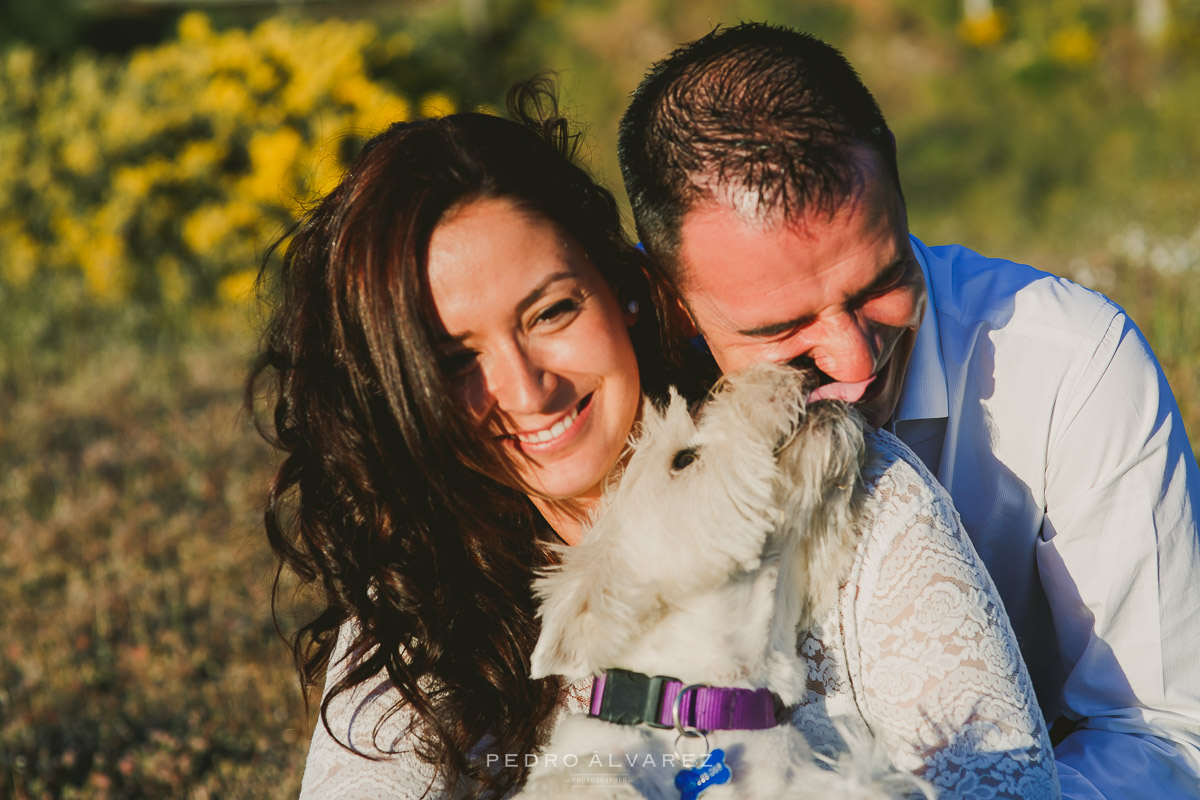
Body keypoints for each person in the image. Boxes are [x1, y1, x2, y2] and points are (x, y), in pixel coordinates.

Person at [249, 83, 1056, 799]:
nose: (528, 390)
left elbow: (1004, 781)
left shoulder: (831, 474)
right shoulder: (422, 580)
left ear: (622, 289)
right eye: (455, 361)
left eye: (552, 312)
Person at [617, 22, 1200, 799]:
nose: (855, 366)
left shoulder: (1070, 365)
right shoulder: (625, 408)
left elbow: (1162, 732)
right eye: (782, 328)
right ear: (673, 303)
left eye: (879, 284)